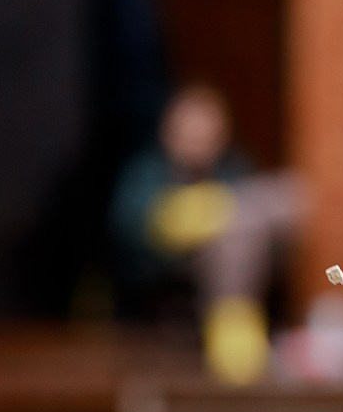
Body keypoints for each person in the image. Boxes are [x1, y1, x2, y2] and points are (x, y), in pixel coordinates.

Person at [109, 84, 305, 380]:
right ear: (169, 130)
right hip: (167, 283)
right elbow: (135, 230)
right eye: (189, 128)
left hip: (231, 272)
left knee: (285, 201)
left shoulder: (234, 168)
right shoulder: (147, 172)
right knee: (247, 217)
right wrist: (202, 215)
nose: (197, 139)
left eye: (207, 129)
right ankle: (232, 329)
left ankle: (236, 329)